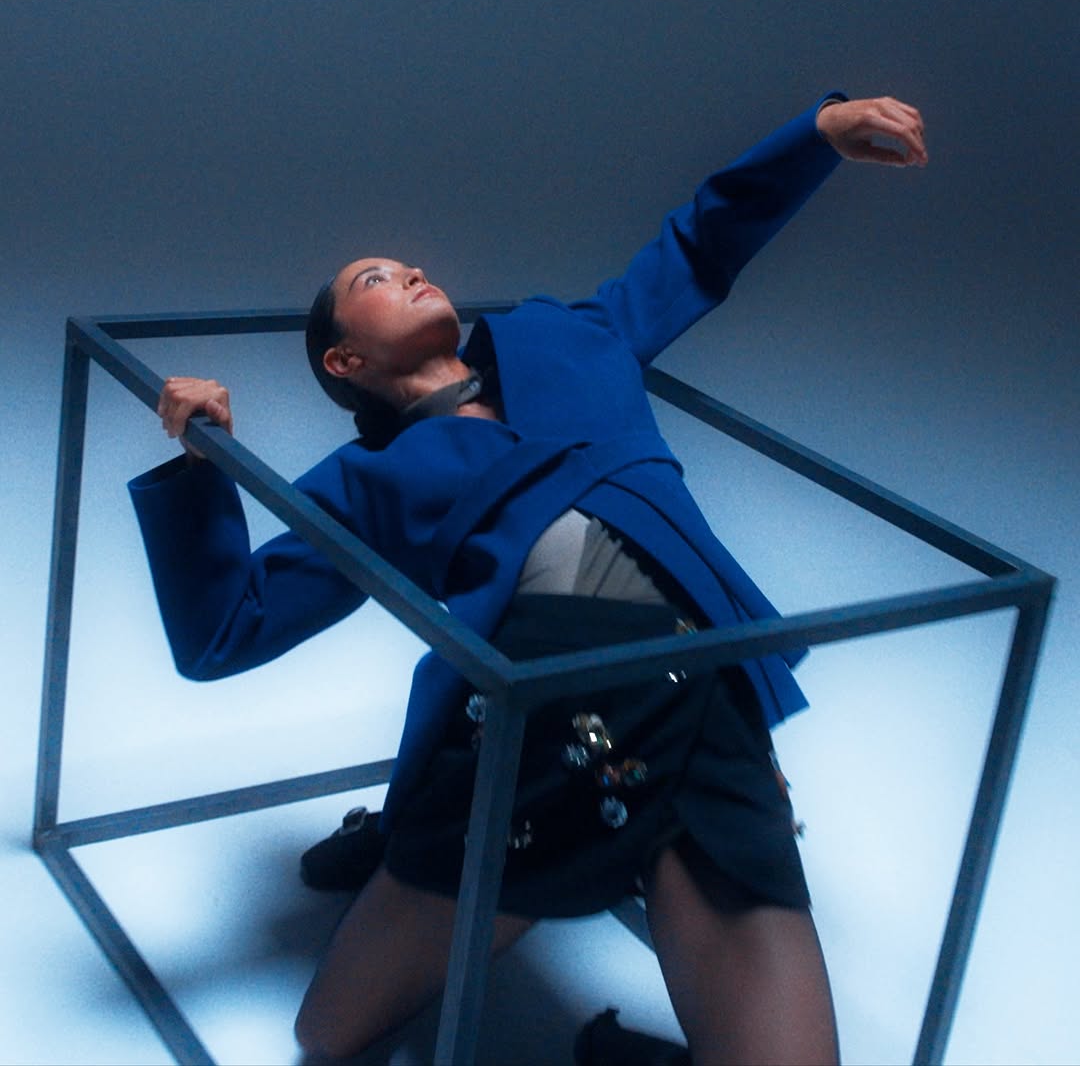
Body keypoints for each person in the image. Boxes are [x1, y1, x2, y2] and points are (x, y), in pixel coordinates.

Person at [130, 94, 927, 1065]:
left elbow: (697, 245)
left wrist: (815, 138)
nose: (411, 270)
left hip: (700, 689)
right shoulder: (367, 477)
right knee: (326, 1033)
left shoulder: (567, 335)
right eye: (376, 278)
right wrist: (204, 460)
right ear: (346, 358)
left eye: (408, 263)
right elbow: (227, 629)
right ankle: (405, 834)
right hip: (527, 736)